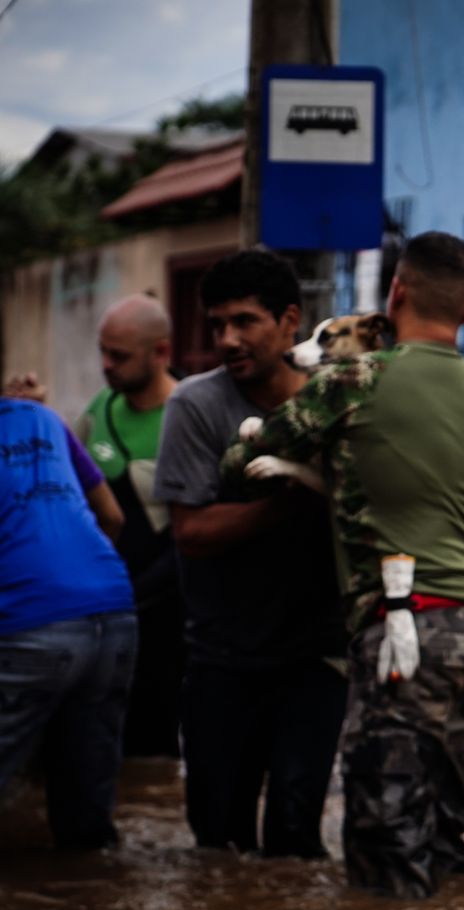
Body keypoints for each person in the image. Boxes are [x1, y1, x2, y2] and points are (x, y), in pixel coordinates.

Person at [221, 232, 464, 899]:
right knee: (448, 834)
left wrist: (329, 474)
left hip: (402, 630)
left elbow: (242, 464)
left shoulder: (352, 379)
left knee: (387, 847)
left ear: (396, 293)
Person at [153, 250, 348, 858]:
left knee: (296, 844)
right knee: (219, 846)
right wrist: (290, 501)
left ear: (290, 320)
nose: (228, 339)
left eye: (244, 322)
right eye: (217, 326)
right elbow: (190, 531)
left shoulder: (336, 399)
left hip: (315, 660)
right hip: (221, 661)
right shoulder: (197, 405)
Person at [0, 396, 137, 849]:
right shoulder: (43, 417)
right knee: (86, 824)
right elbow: (112, 517)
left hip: (35, 623)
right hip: (114, 607)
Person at [77, 295, 185, 757]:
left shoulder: (187, 413)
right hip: (104, 608)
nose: (106, 365)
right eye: (103, 351)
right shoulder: (98, 409)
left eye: (118, 355)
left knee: (154, 741)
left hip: (166, 613)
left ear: (160, 352)